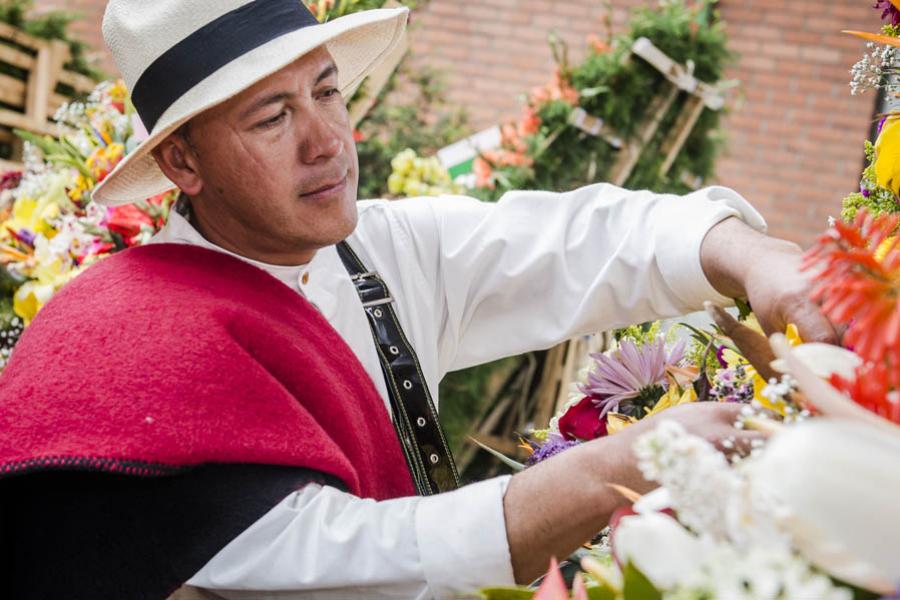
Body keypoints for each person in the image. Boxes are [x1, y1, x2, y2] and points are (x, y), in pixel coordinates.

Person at [0, 1, 837, 599]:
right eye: (271, 118)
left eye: (327, 91)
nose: (327, 141)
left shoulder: (380, 250)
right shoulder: (128, 347)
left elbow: (578, 239)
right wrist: (613, 468)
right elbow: (324, 565)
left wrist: (753, 258)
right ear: (183, 165)